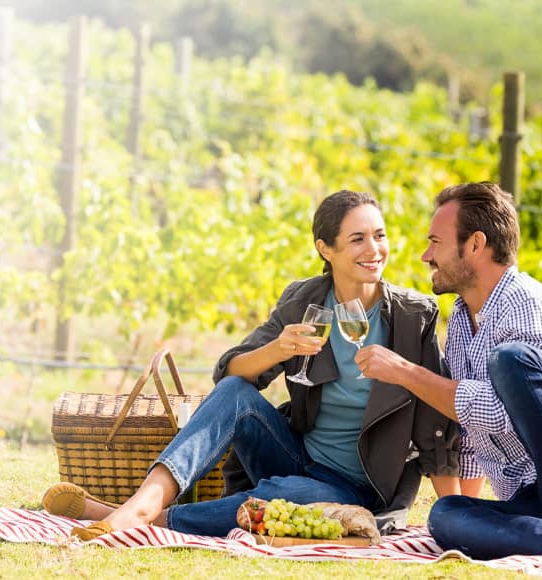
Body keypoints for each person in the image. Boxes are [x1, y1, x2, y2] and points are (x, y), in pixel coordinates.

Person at [43, 189, 466, 540]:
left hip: (359, 487)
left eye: (379, 235)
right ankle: (146, 502)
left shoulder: (414, 317)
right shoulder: (304, 302)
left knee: (289, 493)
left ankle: (142, 518)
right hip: (296, 456)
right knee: (235, 395)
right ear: (326, 249)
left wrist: (451, 518)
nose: (375, 250)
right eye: (357, 239)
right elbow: (231, 373)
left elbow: (436, 426)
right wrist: (279, 349)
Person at [352, 182, 542, 573]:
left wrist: (403, 372)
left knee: (511, 360)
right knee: (446, 517)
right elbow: (472, 433)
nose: (425, 255)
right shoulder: (464, 322)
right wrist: (468, 505)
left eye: (436, 242)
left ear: (475, 245)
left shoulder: (527, 306)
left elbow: (503, 414)